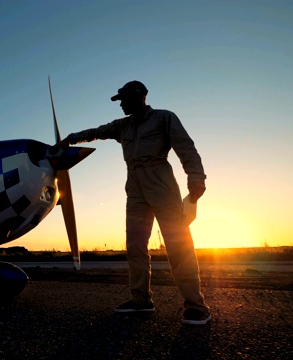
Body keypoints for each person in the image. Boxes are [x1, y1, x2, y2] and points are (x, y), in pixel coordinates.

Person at [53, 80, 211, 325]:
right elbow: (97, 131)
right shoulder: (121, 126)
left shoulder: (164, 118)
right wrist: (70, 139)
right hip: (135, 190)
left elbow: (186, 147)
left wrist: (196, 177)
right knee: (135, 246)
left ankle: (195, 305)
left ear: (140, 96)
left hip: (161, 184)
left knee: (178, 244)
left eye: (124, 100)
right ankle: (141, 301)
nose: (121, 105)